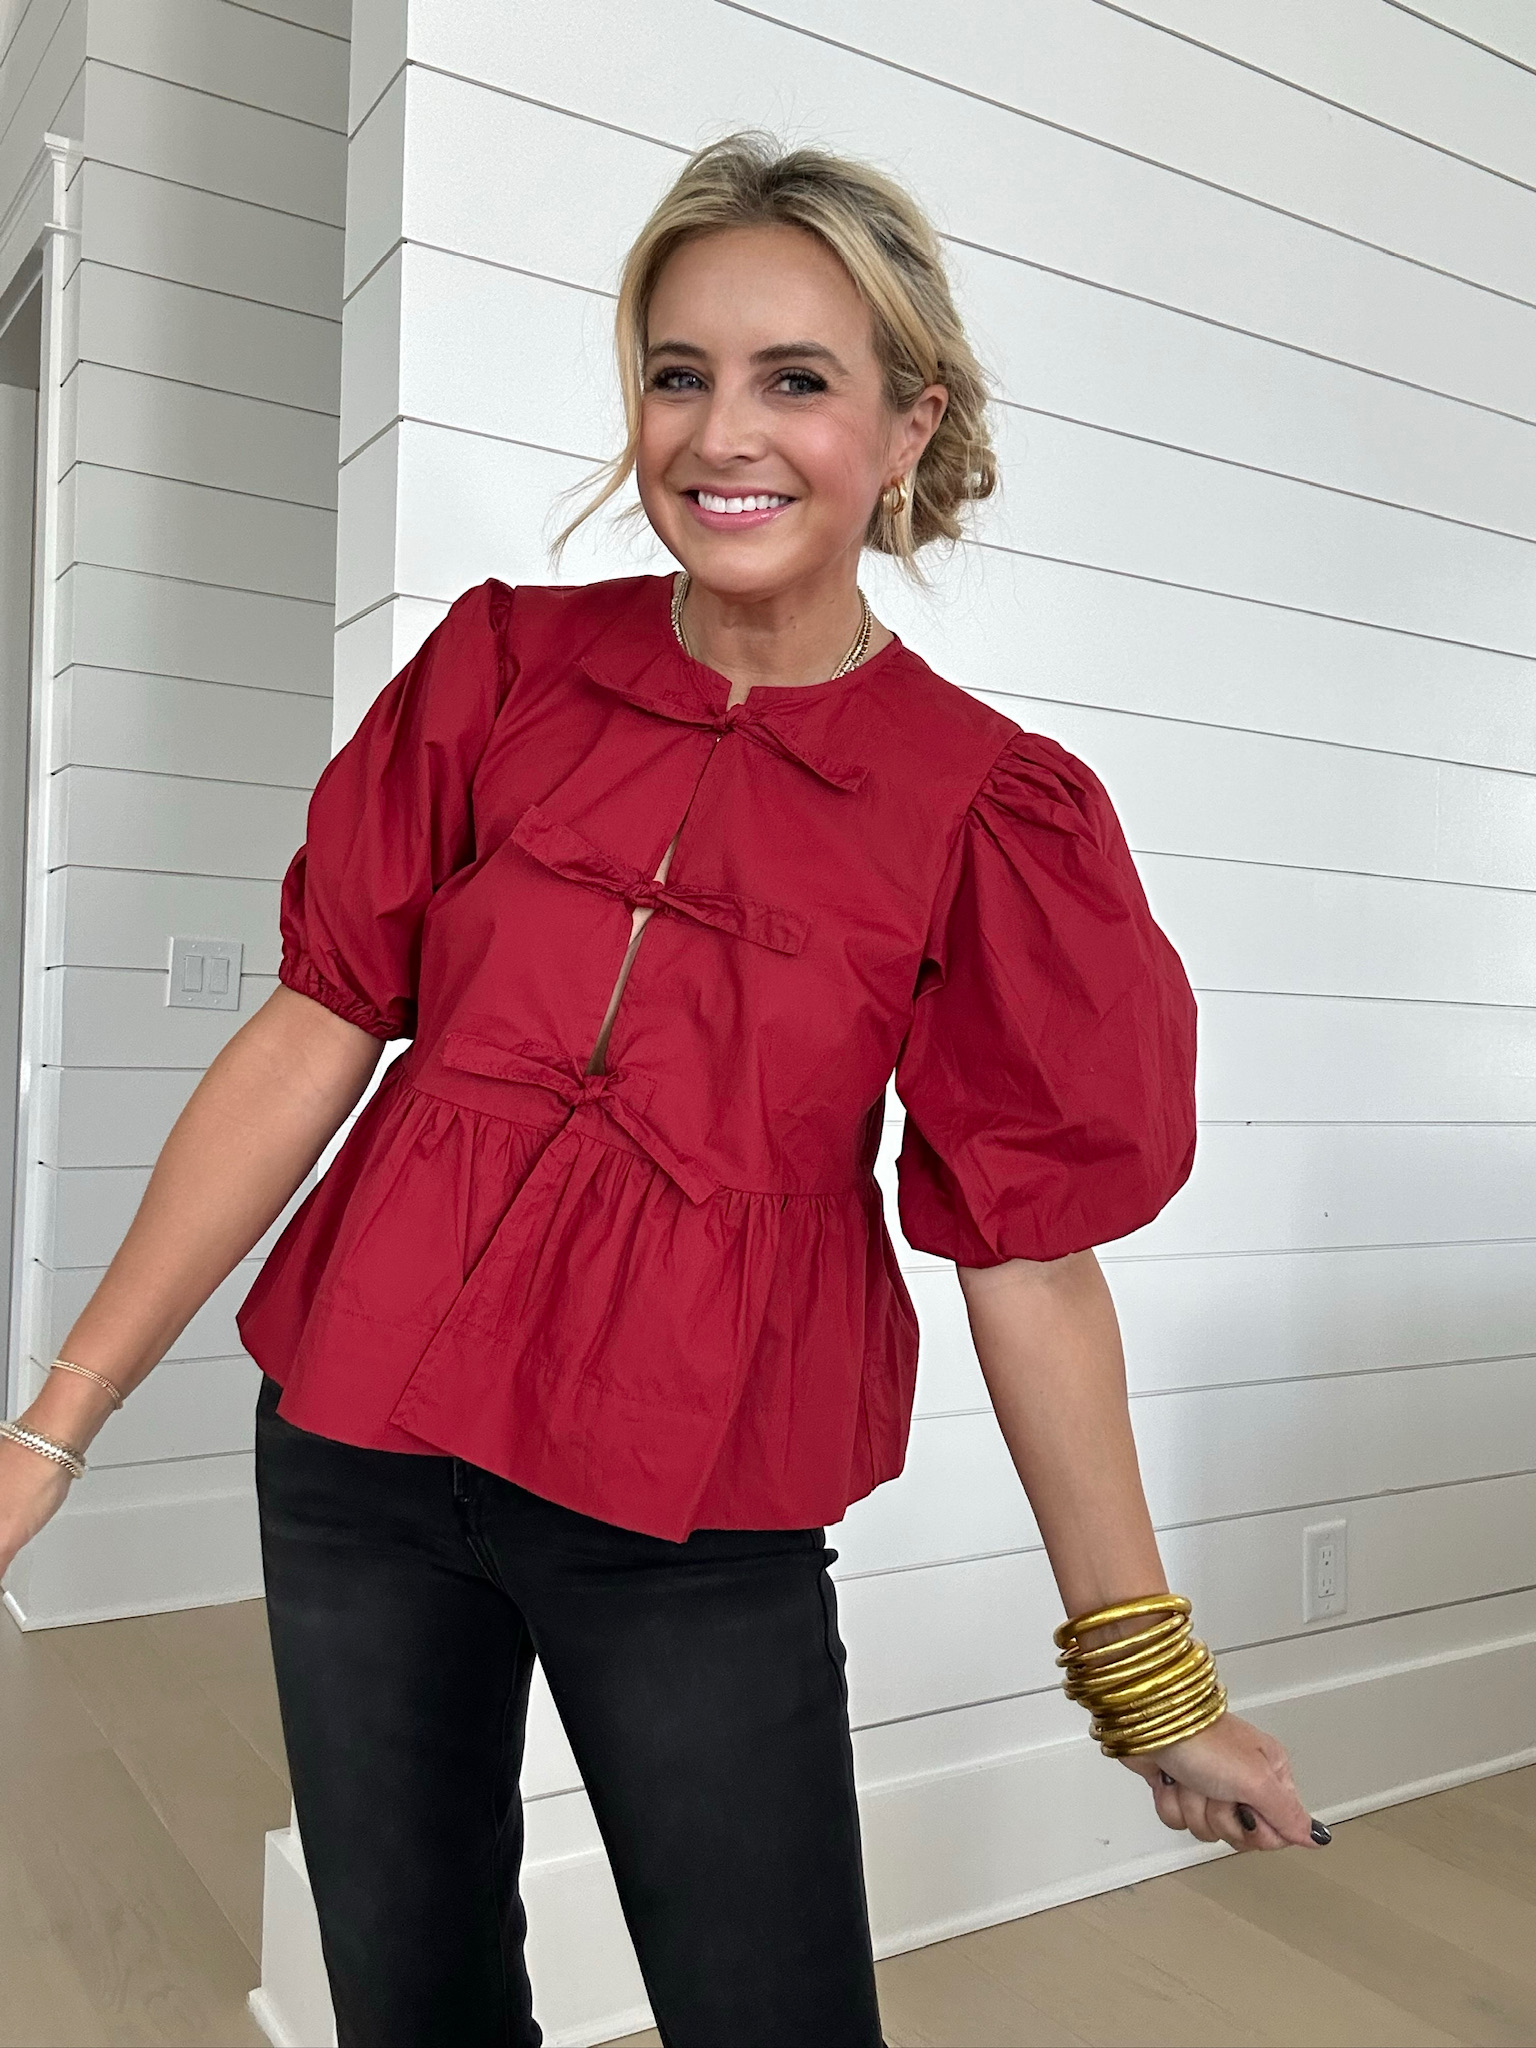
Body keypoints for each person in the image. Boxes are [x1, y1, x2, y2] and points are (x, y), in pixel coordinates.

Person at [0, 132, 1328, 2048]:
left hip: (691, 1501)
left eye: (799, 379)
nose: (728, 433)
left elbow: (1026, 1253)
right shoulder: (498, 672)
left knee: (768, 2011)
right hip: (358, 1453)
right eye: (678, 371)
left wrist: (1153, 1683)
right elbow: (313, 1030)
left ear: (904, 421)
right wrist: (54, 1432)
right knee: (412, 1993)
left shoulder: (983, 806)